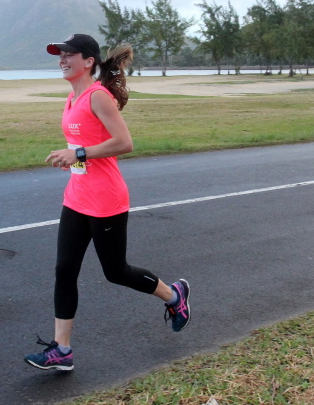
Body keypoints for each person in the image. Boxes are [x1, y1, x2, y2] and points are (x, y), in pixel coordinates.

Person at [24, 34, 191, 372]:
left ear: (88, 61)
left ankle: (175, 296)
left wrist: (78, 153)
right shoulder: (72, 98)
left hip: (106, 200)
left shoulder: (98, 96)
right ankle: (62, 350)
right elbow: (84, 144)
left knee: (116, 272)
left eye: (69, 54)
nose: (62, 59)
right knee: (64, 270)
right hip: (77, 197)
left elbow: (124, 142)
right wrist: (72, 157)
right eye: (59, 54)